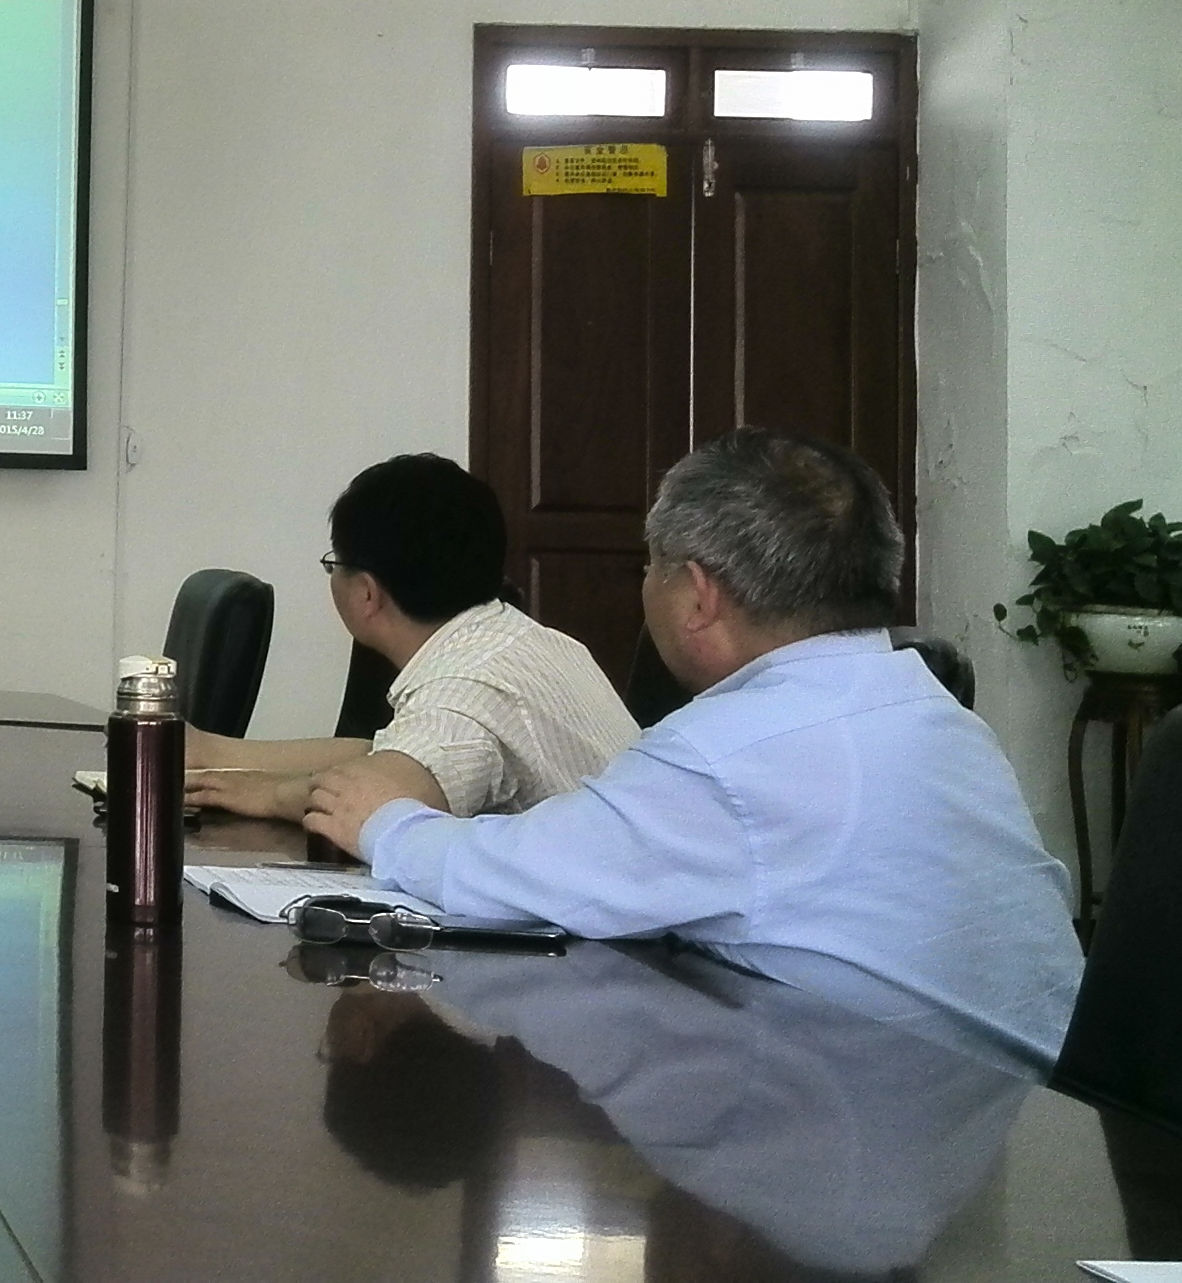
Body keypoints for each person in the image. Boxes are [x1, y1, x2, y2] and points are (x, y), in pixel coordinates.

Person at [304, 429, 1084, 1065]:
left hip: (901, 1118)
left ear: (699, 596)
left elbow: (519, 876)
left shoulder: (736, 750)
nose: (644, 586)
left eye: (652, 567)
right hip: (1035, 1117)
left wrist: (384, 822)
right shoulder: (931, 709)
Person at [184, 454, 637, 824]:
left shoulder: (465, 692)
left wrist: (266, 795)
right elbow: (382, 753)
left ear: (366, 593)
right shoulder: (515, 639)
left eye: (334, 564)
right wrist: (212, 752)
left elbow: (373, 799)